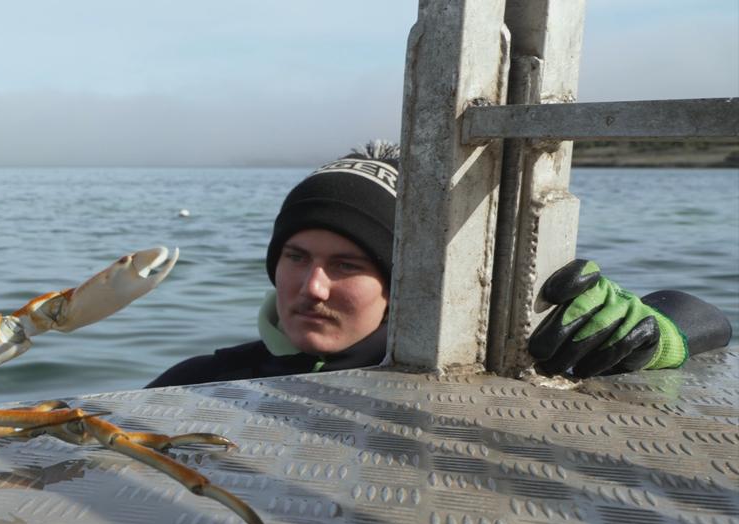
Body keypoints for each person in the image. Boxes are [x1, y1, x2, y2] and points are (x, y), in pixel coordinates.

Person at [147, 141, 732, 387]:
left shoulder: (482, 365)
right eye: (296, 257)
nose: (311, 286)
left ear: (405, 278)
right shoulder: (200, 380)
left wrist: (657, 337)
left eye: (348, 264)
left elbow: (707, 317)